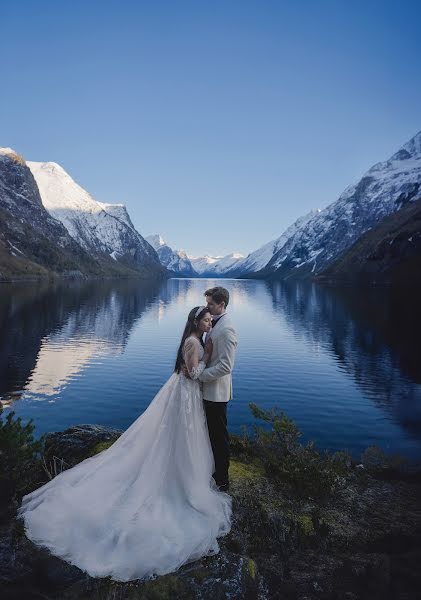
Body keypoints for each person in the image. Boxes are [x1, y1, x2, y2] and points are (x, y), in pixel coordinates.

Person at [17, 306, 232, 582]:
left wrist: (209, 349)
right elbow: (192, 373)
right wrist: (210, 357)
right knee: (181, 437)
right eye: (205, 319)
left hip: (186, 396)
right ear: (196, 321)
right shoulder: (193, 342)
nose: (209, 322)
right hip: (186, 393)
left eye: (210, 319)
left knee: (181, 436)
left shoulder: (197, 339)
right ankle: (179, 477)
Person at [197, 287, 238, 492]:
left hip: (216, 392)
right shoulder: (216, 323)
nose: (207, 307)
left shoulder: (227, 329)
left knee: (219, 436)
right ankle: (214, 471)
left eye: (211, 304)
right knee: (212, 433)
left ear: (222, 304)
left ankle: (222, 479)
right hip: (211, 391)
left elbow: (226, 366)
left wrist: (200, 376)